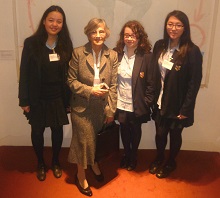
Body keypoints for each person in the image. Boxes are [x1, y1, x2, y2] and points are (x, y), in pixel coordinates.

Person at [18, 5, 73, 181]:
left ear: (62, 25)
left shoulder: (66, 45)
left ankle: (56, 161)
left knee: (57, 131)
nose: (54, 24)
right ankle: (40, 163)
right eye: (51, 20)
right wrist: (24, 100)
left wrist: (70, 100)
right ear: (44, 21)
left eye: (59, 21)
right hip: (37, 98)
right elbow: (24, 73)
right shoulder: (31, 43)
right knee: (37, 131)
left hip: (58, 97)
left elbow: (69, 75)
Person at [149, 10, 203, 178]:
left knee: (174, 134)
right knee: (159, 133)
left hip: (177, 103)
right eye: (170, 24)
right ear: (166, 25)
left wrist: (186, 109)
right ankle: (159, 157)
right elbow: (153, 73)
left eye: (178, 25)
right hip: (160, 101)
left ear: (185, 28)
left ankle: (171, 161)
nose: (173, 28)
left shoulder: (192, 51)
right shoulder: (159, 45)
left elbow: (194, 83)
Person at [67, 18, 118, 196]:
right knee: (83, 142)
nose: (98, 35)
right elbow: (71, 81)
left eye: (101, 31)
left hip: (102, 108)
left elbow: (113, 85)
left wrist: (111, 111)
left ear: (106, 33)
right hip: (81, 107)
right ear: (88, 33)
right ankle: (80, 175)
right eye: (94, 32)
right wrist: (90, 90)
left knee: (96, 141)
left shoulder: (112, 55)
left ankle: (95, 164)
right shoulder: (78, 53)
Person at [114, 20, 154, 171]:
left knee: (135, 129)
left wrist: (147, 102)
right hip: (120, 101)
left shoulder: (147, 56)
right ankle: (126, 154)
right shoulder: (116, 53)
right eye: (126, 35)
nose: (129, 38)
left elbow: (151, 83)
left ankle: (134, 156)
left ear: (139, 37)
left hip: (137, 103)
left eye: (133, 35)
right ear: (122, 36)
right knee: (123, 128)